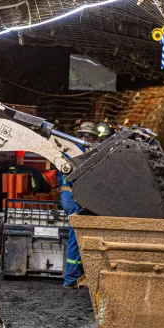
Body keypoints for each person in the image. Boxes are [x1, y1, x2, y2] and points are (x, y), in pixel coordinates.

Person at [59, 122, 97, 289]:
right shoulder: (79, 151)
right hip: (73, 197)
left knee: (77, 236)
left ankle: (76, 275)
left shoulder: (70, 149)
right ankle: (71, 279)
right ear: (89, 137)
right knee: (76, 236)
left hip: (70, 196)